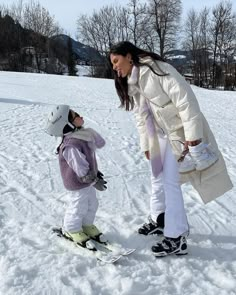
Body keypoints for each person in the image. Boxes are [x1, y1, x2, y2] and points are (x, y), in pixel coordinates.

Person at [109, 41, 233, 257]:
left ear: (129, 56)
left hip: (180, 133)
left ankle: (176, 236)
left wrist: (193, 136)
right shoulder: (133, 81)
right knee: (157, 177)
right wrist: (146, 144)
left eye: (116, 61)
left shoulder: (158, 70)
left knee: (170, 181)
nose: (114, 67)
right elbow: (141, 116)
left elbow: (186, 101)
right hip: (159, 137)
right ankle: (160, 218)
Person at [45, 105, 107, 249]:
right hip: (77, 182)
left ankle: (86, 225)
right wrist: (94, 179)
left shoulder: (81, 137)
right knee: (78, 206)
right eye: (76, 115)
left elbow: (86, 162)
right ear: (67, 124)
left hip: (87, 181)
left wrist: (95, 174)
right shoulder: (71, 145)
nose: (81, 116)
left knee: (92, 204)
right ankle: (71, 230)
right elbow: (80, 167)